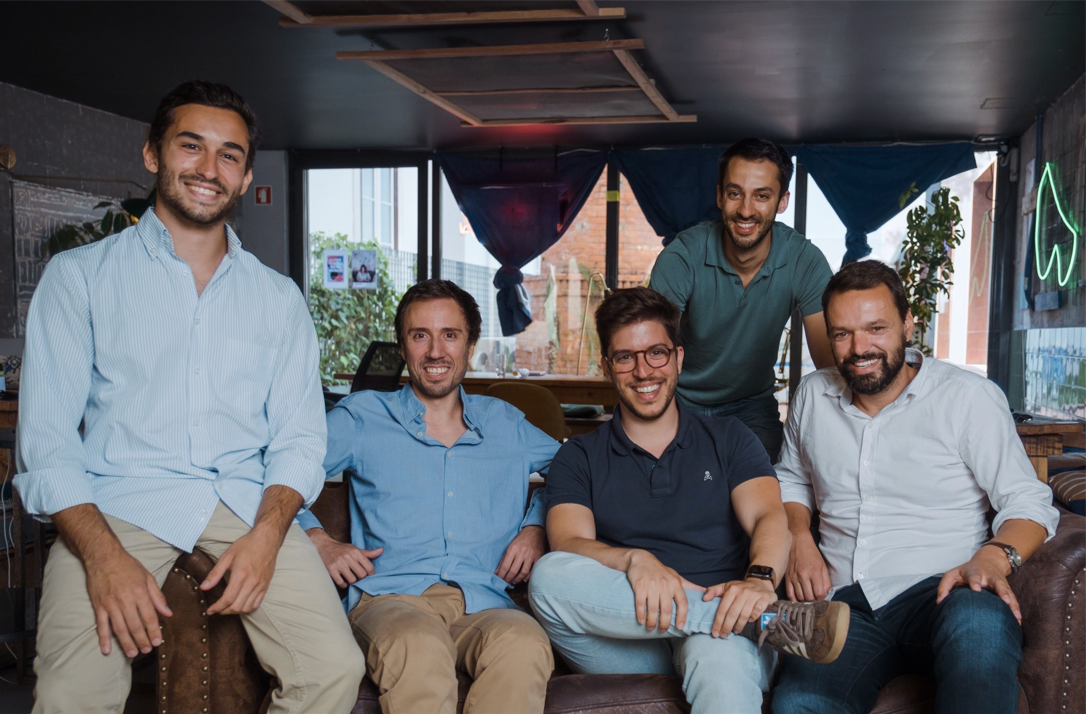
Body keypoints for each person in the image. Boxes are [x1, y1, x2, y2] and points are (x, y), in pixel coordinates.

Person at [15, 81, 363, 713]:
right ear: (153, 154)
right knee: (73, 693)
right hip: (118, 501)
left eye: (229, 155)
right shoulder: (78, 278)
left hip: (246, 505)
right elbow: (47, 442)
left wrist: (268, 537)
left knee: (334, 669)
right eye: (191, 146)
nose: (209, 168)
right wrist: (102, 557)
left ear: (246, 175)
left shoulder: (278, 298)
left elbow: (299, 439)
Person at [529, 287, 849, 714]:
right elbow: (569, 542)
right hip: (627, 638)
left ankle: (739, 618)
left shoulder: (730, 438)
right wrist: (634, 560)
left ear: (678, 358)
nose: (643, 371)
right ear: (607, 367)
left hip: (722, 638)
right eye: (625, 357)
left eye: (656, 353)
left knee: (715, 652)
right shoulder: (579, 455)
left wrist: (759, 580)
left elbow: (769, 517)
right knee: (548, 576)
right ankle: (761, 621)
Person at [771, 260, 1060, 714]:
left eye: (876, 328)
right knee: (799, 701)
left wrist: (993, 557)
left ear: (907, 324)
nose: (859, 348)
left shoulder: (967, 397)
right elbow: (790, 479)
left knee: (980, 632)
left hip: (945, 591)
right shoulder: (812, 395)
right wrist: (799, 537)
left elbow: (1028, 501)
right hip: (843, 602)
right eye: (842, 333)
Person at [298, 279, 558, 714]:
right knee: (419, 646)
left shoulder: (505, 423)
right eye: (420, 335)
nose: (436, 351)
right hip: (391, 601)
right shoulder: (362, 417)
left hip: (484, 603)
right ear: (403, 347)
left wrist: (537, 526)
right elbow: (276, 474)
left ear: (470, 345)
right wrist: (317, 540)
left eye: (449, 335)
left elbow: (581, 473)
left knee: (525, 644)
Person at [650, 138, 835, 460]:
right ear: (719, 196)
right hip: (677, 399)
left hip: (751, 405)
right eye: (735, 193)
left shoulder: (804, 261)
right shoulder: (682, 256)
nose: (746, 210)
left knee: (767, 481)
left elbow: (828, 364)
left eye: (761, 196)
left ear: (782, 201)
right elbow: (653, 353)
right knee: (666, 481)